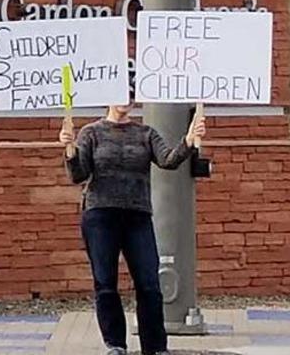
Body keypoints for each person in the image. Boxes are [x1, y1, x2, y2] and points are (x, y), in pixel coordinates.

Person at [59, 86, 206, 355]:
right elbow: (78, 175)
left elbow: (169, 161)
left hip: (137, 215)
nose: (124, 99)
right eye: (117, 92)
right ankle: (115, 344)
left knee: (149, 283)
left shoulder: (145, 133)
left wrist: (188, 140)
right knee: (105, 282)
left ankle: (156, 347)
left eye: (129, 94)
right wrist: (69, 151)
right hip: (100, 215)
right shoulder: (91, 132)